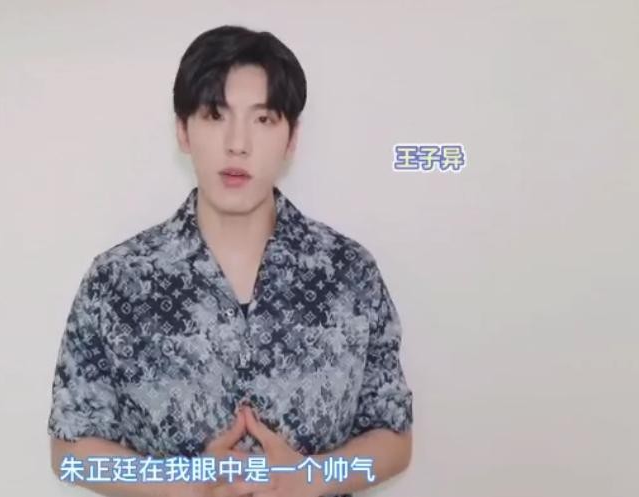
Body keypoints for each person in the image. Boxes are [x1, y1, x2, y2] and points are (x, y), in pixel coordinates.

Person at [48, 24, 413, 497]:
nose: (238, 143)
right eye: (215, 115)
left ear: (291, 138)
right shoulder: (117, 280)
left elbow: (394, 438)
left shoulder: (349, 274)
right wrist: (181, 483)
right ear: (183, 129)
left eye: (264, 120)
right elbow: (70, 454)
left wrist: (312, 477)